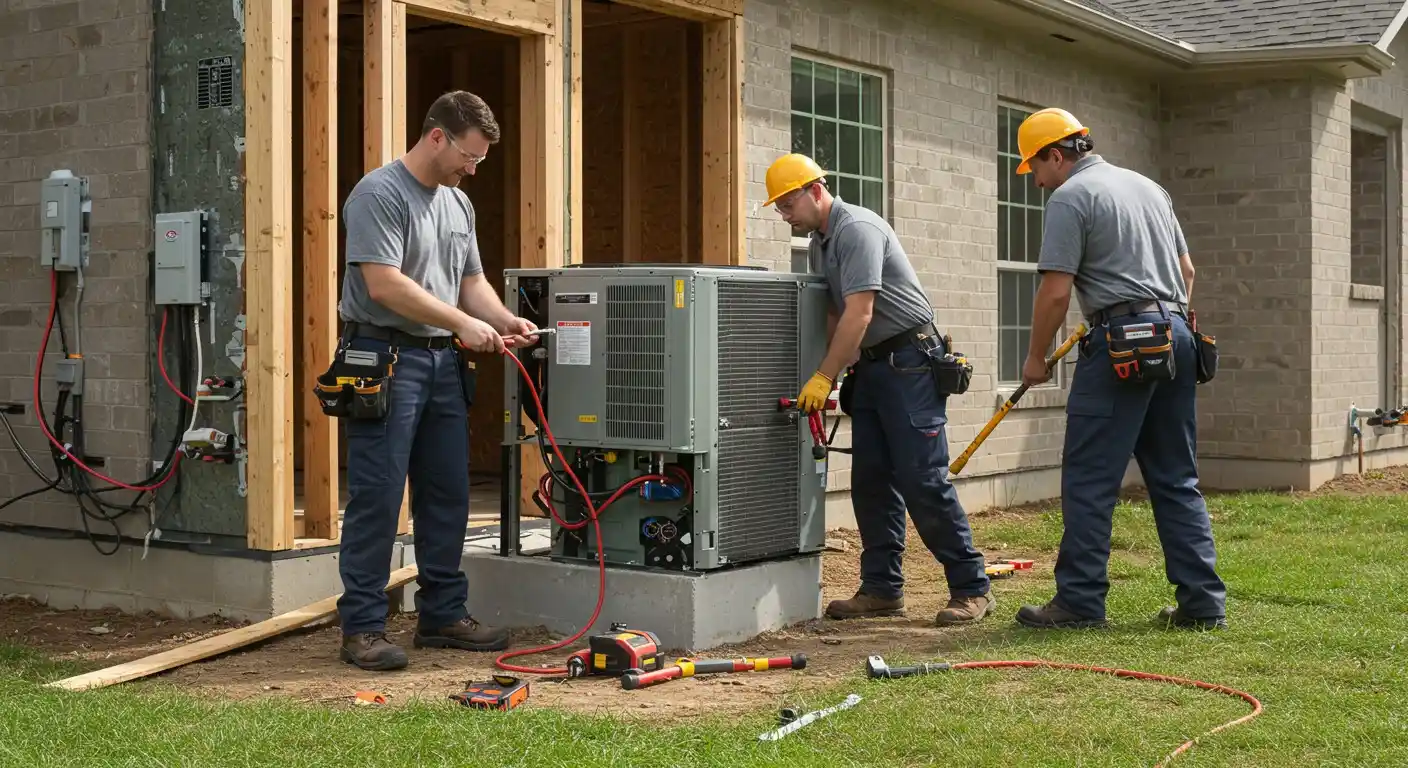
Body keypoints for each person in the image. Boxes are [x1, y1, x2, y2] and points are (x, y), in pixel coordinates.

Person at [333, 90, 539, 671]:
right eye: (468, 158)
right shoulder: (379, 193)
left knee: (447, 492)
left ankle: (443, 615)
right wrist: (463, 323)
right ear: (436, 136)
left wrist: (501, 319)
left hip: (442, 363)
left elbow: (470, 280)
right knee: (377, 496)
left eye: (479, 162)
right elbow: (384, 285)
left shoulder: (458, 204)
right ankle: (364, 628)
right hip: (382, 357)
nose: (471, 170)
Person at [1010, 107, 1227, 631]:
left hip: (1122, 345)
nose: (1036, 181)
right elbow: (1186, 271)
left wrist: (1037, 356)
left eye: (1035, 169)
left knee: (1089, 478)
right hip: (1176, 336)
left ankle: (1080, 603)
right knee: (1176, 476)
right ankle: (1202, 604)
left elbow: (1056, 292)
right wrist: (1158, 318)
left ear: (1056, 156)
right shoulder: (1150, 189)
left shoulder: (1071, 197)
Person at [764, 153, 994, 627]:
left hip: (910, 363)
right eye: (778, 208)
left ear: (815, 190)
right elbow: (833, 316)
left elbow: (860, 313)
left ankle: (971, 587)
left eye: (787, 204)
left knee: (922, 480)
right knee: (870, 481)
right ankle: (882, 589)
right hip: (871, 369)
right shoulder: (819, 242)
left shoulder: (858, 229)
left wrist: (826, 376)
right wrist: (818, 371)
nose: (783, 214)